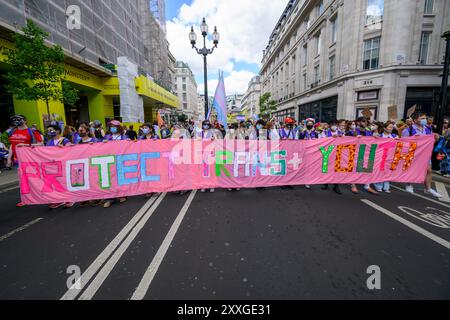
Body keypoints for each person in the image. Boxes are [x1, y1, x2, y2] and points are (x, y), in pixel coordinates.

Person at [402, 112, 442, 198]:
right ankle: (409, 184)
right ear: (415, 120)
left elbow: (431, 142)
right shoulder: (408, 130)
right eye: (422, 118)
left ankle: (428, 189)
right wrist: (413, 139)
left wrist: (436, 138)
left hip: (425, 154)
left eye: (425, 118)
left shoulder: (428, 129)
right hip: (413, 153)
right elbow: (403, 143)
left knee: (429, 170)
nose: (424, 120)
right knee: (412, 169)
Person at [346, 117, 379, 195]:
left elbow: (373, 139)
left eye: (366, 121)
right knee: (354, 169)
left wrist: (376, 134)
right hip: (356, 152)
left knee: (368, 168)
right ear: (358, 123)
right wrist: (355, 137)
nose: (365, 123)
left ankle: (367, 185)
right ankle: (353, 184)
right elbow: (346, 140)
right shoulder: (353, 131)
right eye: (363, 121)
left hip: (367, 152)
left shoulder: (368, 130)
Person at [45, 124, 74, 209]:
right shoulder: (48, 142)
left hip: (63, 165)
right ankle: (59, 200)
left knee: (64, 182)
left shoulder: (64, 140)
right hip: (52, 165)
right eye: (48, 130)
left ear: (57, 131)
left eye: (51, 130)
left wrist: (64, 148)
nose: (49, 132)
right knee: (55, 183)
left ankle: (69, 198)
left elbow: (71, 149)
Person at [102, 120, 128, 208]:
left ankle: (122, 194)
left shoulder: (124, 137)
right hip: (109, 161)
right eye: (111, 126)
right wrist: (101, 144)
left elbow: (130, 146)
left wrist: (131, 143)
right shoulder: (107, 137)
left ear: (119, 127)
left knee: (120, 177)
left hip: (120, 160)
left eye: (114, 126)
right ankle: (110, 198)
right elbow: (98, 147)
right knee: (111, 179)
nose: (112, 128)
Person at [374, 122, 399, 193]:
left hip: (390, 157)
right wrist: (376, 139)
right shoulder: (380, 136)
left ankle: (386, 186)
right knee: (381, 170)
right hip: (381, 157)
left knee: (388, 171)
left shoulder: (394, 136)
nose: (391, 128)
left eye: (392, 127)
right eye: (389, 127)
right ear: (385, 128)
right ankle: (378, 185)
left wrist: (398, 140)